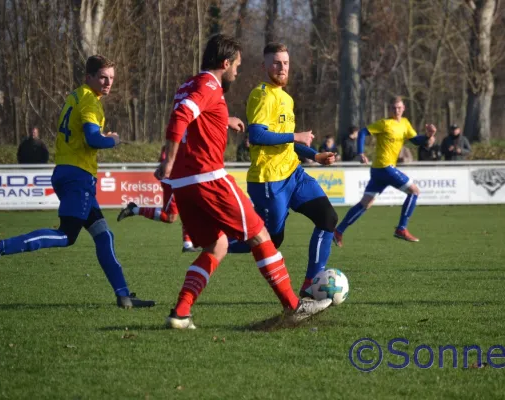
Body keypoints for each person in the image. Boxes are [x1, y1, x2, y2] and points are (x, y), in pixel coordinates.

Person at [157, 34, 332, 329]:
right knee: (262, 236)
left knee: (217, 246)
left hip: (184, 183)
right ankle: (294, 306)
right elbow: (182, 116)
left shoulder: (189, 84)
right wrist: (168, 158)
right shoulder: (210, 84)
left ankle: (181, 313)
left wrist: (225, 119)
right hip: (209, 177)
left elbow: (193, 113)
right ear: (225, 63)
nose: (238, 71)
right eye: (236, 65)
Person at [0, 56, 155, 309]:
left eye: (111, 78)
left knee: (103, 235)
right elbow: (92, 140)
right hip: (78, 176)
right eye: (103, 77)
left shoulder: (76, 96)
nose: (108, 83)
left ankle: (123, 295)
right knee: (66, 235)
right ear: (89, 77)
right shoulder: (90, 102)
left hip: (70, 173)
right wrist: (113, 140)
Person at [226, 42, 339, 298]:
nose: (282, 67)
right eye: (276, 62)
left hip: (293, 174)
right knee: (270, 241)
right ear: (264, 66)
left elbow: (288, 143)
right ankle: (219, 242)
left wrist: (315, 156)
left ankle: (311, 285)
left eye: (285, 63)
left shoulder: (286, 98)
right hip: (269, 180)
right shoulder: (262, 94)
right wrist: (296, 136)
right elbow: (256, 135)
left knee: (328, 219)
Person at [333, 96, 436, 245]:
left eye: (399, 107)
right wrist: (361, 152)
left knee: (365, 203)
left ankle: (339, 231)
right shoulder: (384, 123)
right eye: (394, 108)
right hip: (385, 167)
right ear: (390, 109)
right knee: (414, 191)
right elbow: (362, 132)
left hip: (378, 171)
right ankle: (401, 228)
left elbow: (416, 141)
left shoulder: (405, 124)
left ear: (404, 108)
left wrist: (428, 135)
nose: (397, 110)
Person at [117, 145, 199, 252]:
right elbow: (168, 147)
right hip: (173, 182)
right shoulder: (181, 137)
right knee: (170, 217)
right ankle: (134, 210)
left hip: (184, 179)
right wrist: (164, 164)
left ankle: (188, 244)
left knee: (190, 209)